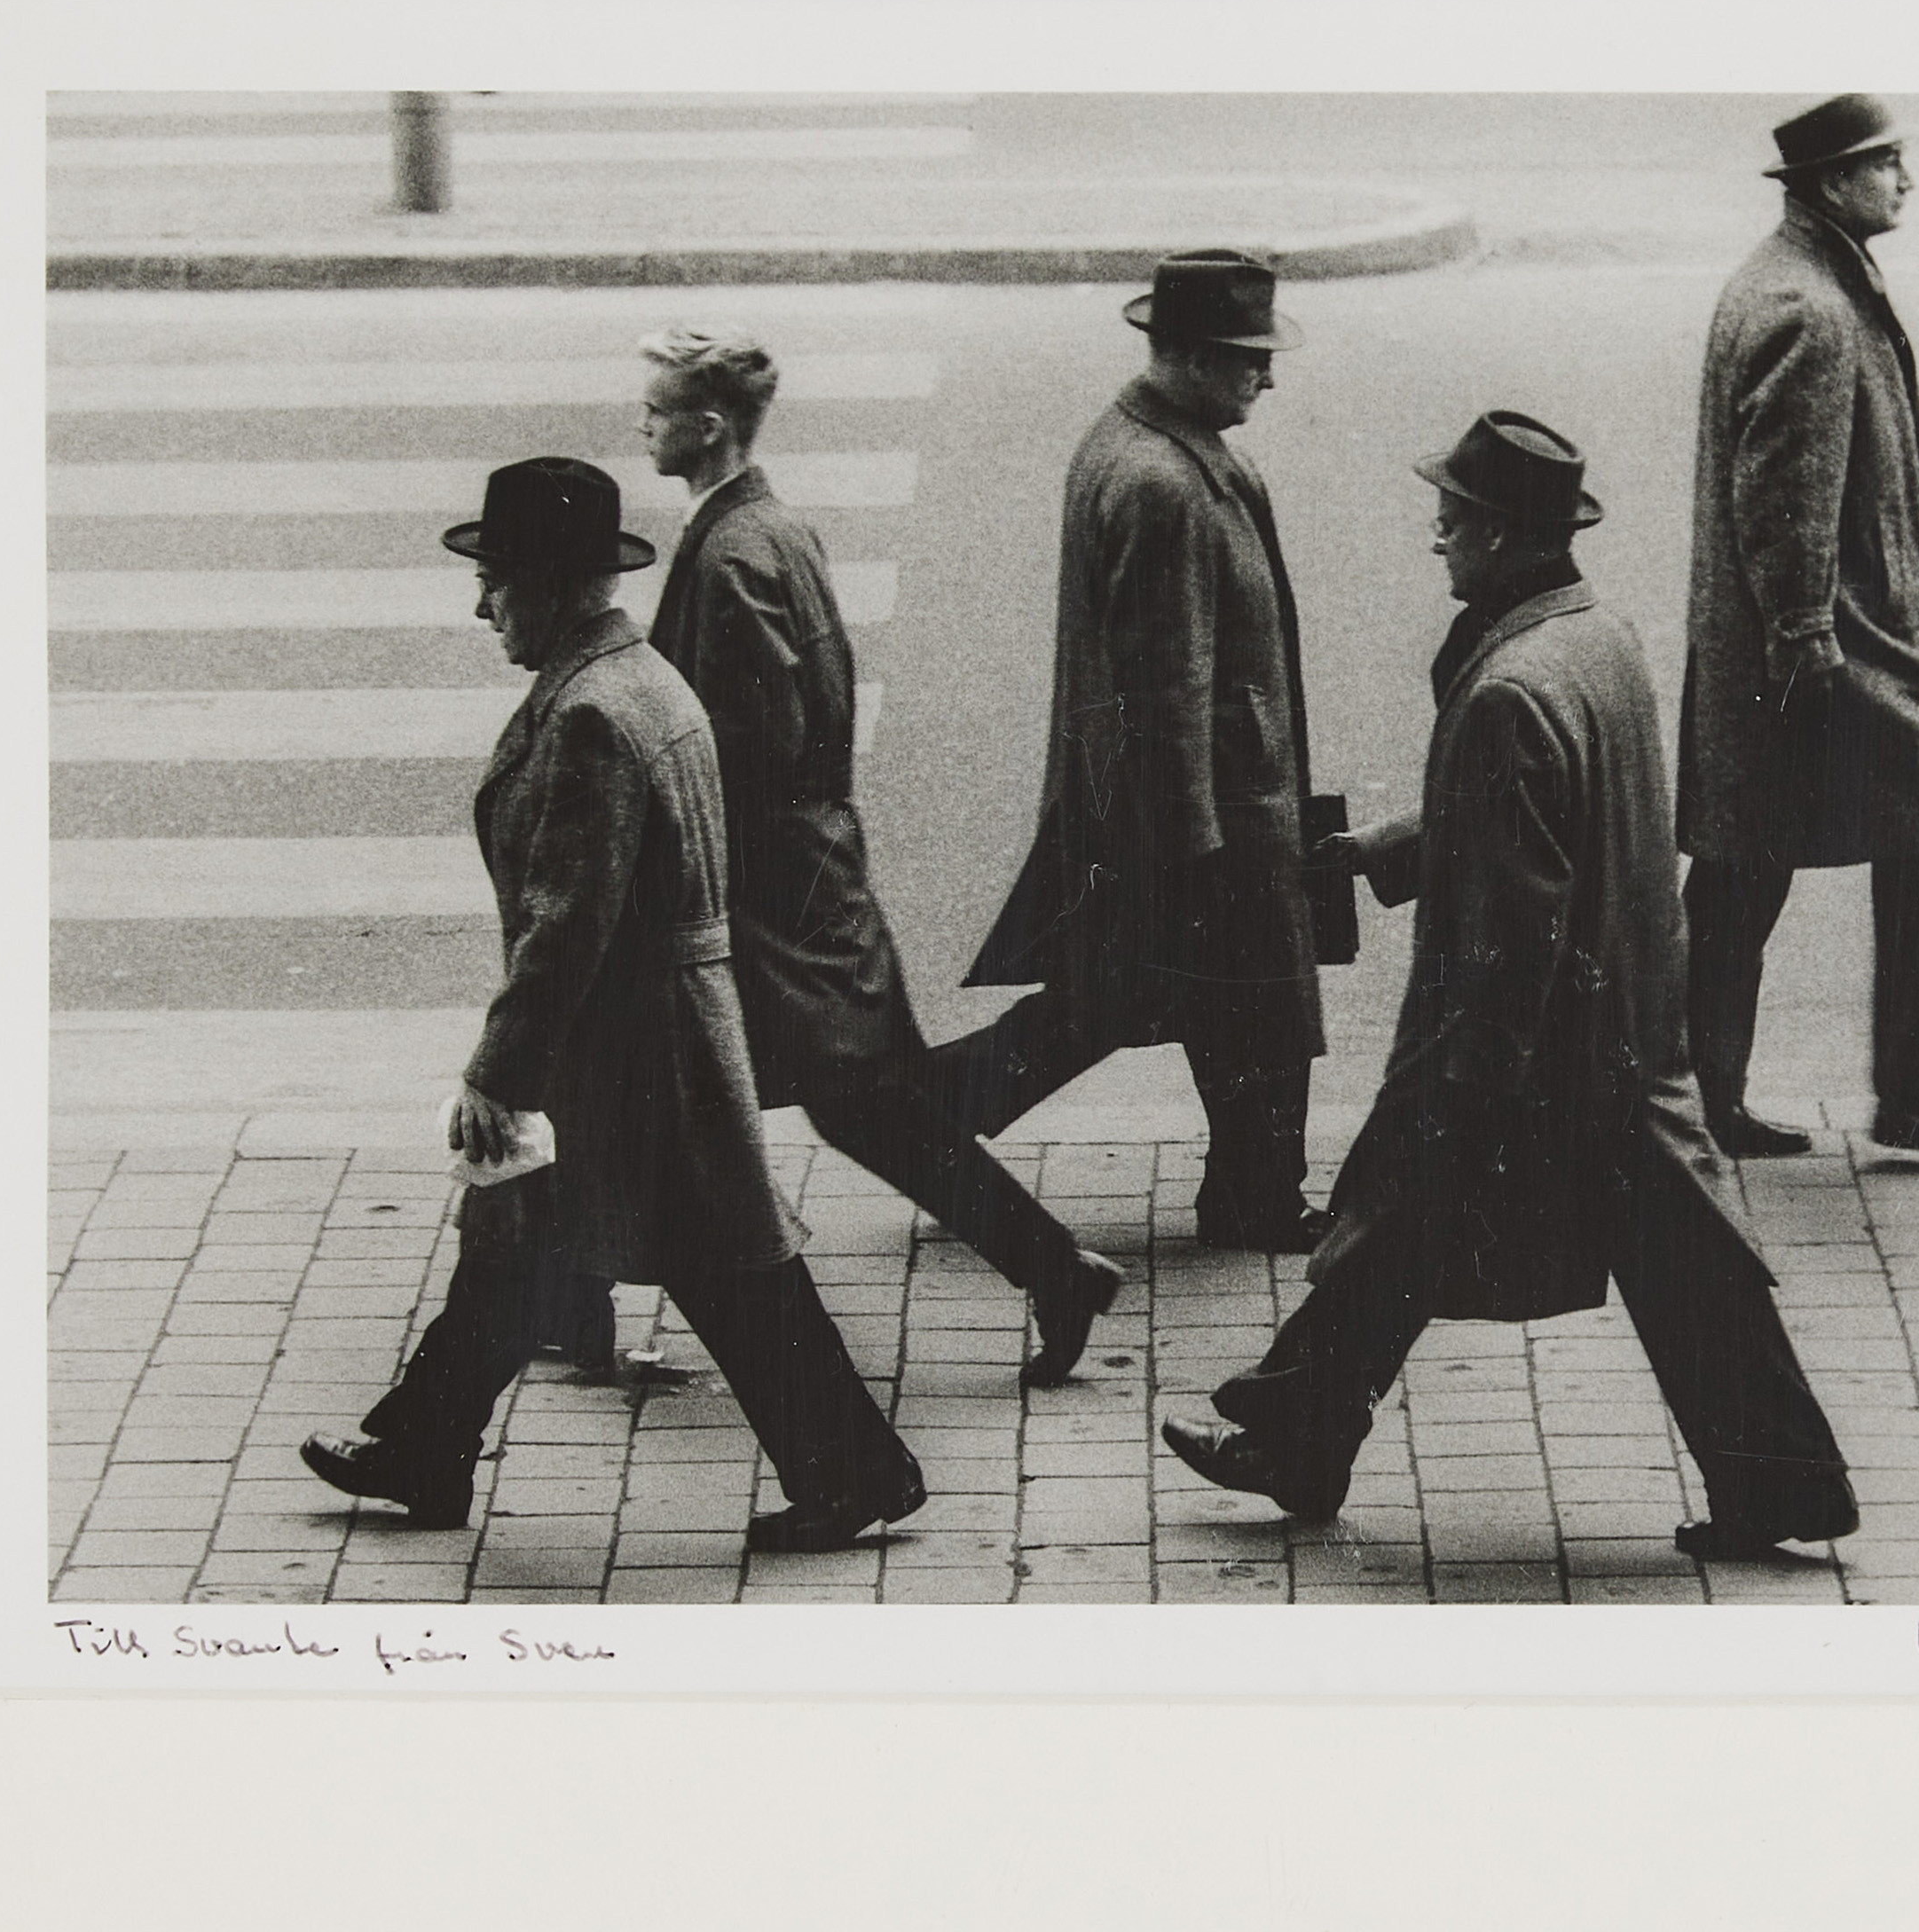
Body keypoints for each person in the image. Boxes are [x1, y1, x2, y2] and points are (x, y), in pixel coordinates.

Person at [1158, 413, 1856, 1562]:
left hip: (1544, 1049)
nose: (1437, 536)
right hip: (1623, 1015)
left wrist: (1468, 1082)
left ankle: (1781, 1482)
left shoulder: (1506, 692)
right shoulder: (1594, 637)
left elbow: (1518, 919)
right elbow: (1549, 814)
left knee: (1416, 1223)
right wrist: (1392, 847)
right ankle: (1296, 1436)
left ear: (1495, 534)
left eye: (1451, 518)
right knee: (1470, 1240)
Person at [298, 456, 927, 1555]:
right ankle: (424, 1446)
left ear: (546, 584)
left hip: (632, 1047)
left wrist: (497, 1074)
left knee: (721, 1265)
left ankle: (856, 1469)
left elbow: (566, 924)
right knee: (524, 1240)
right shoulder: (644, 680)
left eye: (494, 580)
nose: (483, 605)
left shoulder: (590, 713)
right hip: (658, 1029)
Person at [635, 327, 1119, 1384]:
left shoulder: (729, 553)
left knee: (742, 1092)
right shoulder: (769, 525)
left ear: (707, 426)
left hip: (769, 891)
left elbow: (751, 737)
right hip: (804, 875)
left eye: (658, 409)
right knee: (851, 1104)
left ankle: (556, 1296)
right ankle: (1052, 1269)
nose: (644, 423)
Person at [939, 250, 1331, 1253]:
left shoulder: (1151, 442)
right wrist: (1194, 851)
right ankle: (1255, 1197)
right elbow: (1166, 685)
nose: (1267, 376)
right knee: (1258, 1007)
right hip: (1212, 808)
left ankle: (925, 1118)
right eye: (1250, 357)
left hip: (1191, 799)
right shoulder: (1162, 480)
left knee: (1117, 999)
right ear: (1193, 357)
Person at [1679, 94, 1919, 1166]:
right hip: (1833, 645)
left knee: (1744, 864)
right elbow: (1781, 498)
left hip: (1796, 642)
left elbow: (1812, 465)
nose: (1905, 180)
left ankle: (1688, 1097)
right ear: (1836, 181)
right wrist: (1805, 641)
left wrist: (1907, 468)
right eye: (1888, 163)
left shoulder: (1795, 275)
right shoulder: (1812, 307)